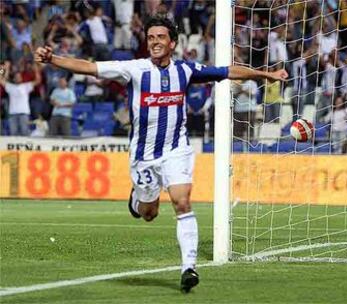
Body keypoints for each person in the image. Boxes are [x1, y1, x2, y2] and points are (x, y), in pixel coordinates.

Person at [34, 15, 288, 293]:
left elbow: (227, 71)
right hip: (143, 156)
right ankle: (137, 200)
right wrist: (53, 59)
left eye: (160, 37)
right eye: (151, 37)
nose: (154, 42)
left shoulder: (186, 70)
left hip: (175, 150)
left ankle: (188, 267)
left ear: (173, 43)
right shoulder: (133, 69)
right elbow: (89, 67)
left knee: (182, 201)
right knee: (149, 213)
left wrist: (267, 75)